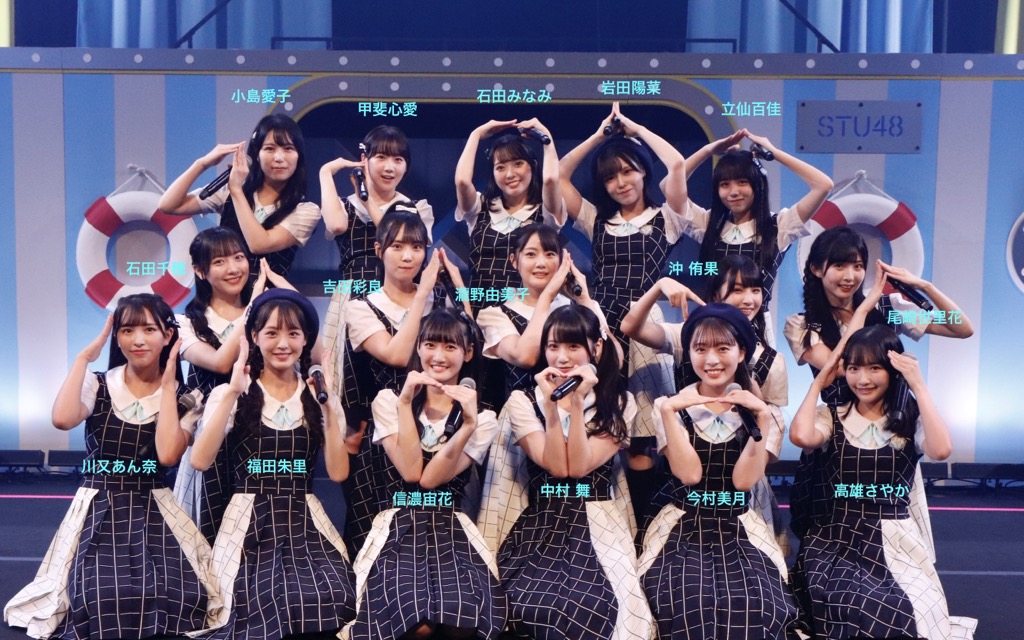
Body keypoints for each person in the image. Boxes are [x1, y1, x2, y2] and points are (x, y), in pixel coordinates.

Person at [4, 294, 219, 640]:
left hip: (155, 509)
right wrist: (82, 359)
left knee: (180, 599)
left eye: (149, 329)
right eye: (127, 330)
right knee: (98, 598)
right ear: (116, 337)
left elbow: (167, 455)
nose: (137, 340)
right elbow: (62, 419)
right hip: (98, 507)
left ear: (168, 335)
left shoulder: (186, 397)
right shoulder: (98, 382)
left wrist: (167, 387)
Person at [783, 226, 973, 537]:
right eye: (839, 265)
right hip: (837, 438)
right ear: (817, 269)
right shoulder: (803, 325)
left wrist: (925, 286)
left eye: (858, 266)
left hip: (891, 434)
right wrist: (864, 308)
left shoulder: (889, 310)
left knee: (895, 528)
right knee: (825, 531)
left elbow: (961, 327)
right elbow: (841, 366)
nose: (850, 276)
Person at [479, 305, 654, 640]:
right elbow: (558, 468)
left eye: (573, 346)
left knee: (608, 605)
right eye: (553, 346)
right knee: (529, 603)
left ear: (596, 348)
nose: (561, 357)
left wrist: (575, 402)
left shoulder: (620, 401)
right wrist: (552, 407)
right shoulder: (523, 400)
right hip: (541, 519)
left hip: (598, 517)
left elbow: (581, 466)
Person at [789, 325, 975, 640]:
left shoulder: (908, 418)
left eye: (874, 368)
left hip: (896, 535)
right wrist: (819, 382)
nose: (863, 379)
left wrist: (918, 385)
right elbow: (801, 436)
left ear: (892, 369)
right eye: (853, 368)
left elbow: (941, 450)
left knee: (915, 606)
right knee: (853, 602)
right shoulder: (832, 415)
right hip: (836, 538)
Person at [191, 289, 355, 640]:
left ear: (306, 339)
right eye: (272, 333)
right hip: (248, 522)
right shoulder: (234, 392)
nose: (283, 343)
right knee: (257, 600)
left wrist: (329, 409)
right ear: (254, 337)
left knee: (332, 597)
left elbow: (339, 472)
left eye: (293, 333)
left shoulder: (319, 397)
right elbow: (200, 460)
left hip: (304, 518)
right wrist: (232, 392)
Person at [342, 309, 505, 640]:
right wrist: (406, 405)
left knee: (461, 621)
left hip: (451, 528)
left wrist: (467, 426)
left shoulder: (483, 419)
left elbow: (433, 480)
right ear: (418, 347)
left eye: (450, 347)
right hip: (399, 527)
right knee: (416, 622)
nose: (438, 357)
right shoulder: (389, 401)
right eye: (430, 345)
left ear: (468, 353)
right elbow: (412, 471)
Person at [639, 303, 799, 640]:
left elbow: (743, 481)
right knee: (688, 600)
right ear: (689, 354)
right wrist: (669, 413)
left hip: (739, 523)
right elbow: (689, 475)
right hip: (683, 524)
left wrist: (762, 416)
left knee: (757, 604)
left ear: (742, 353)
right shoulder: (668, 407)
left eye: (723, 348)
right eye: (700, 349)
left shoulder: (765, 414)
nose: (711, 360)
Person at [558, 101, 687, 514]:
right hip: (600, 324)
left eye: (628, 171)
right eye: (611, 176)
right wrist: (600, 136)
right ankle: (611, 517)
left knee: (643, 440)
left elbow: (678, 164)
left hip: (644, 327)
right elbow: (558, 175)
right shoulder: (596, 218)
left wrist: (636, 130)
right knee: (602, 423)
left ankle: (646, 527)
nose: (620, 182)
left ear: (644, 171)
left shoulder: (667, 217)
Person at [621, 255, 789, 539]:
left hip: (742, 479)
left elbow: (768, 434)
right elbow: (631, 328)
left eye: (755, 290)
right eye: (737, 290)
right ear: (715, 295)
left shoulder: (773, 360)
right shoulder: (688, 334)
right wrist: (659, 285)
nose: (748, 299)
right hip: (685, 472)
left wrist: (758, 408)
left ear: (742, 352)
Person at [341, 209, 469, 556]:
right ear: (379, 250)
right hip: (387, 432)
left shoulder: (441, 300)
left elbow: (469, 347)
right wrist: (422, 294)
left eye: (416, 247)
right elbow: (396, 354)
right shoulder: (361, 307)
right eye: (397, 246)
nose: (408, 256)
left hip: (440, 425)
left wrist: (456, 289)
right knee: (373, 537)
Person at [681, 128, 834, 341]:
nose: (733, 191)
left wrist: (773, 152)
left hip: (758, 329)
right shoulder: (709, 224)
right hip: (712, 326)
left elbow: (823, 185)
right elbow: (669, 185)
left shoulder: (779, 226)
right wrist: (708, 151)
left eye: (742, 182)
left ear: (758, 185)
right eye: (725, 185)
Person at [320, 126, 434, 406]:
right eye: (381, 157)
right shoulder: (345, 205)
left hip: (401, 296)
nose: (389, 167)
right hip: (352, 295)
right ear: (364, 160)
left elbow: (394, 233)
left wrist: (367, 200)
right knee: (347, 383)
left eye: (398, 159)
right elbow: (336, 225)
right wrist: (325, 173)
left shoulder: (416, 208)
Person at [159, 113, 321, 278]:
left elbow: (259, 244)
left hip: (266, 293)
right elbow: (169, 205)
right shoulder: (230, 191)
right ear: (256, 154)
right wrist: (201, 164)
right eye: (269, 149)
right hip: (222, 290)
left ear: (299, 155)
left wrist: (236, 190)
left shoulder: (306, 210)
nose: (279, 158)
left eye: (288, 148)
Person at [475, 224, 615, 412]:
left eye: (549, 254)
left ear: (562, 261)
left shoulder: (580, 306)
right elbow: (525, 357)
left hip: (583, 410)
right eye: (531, 254)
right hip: (525, 414)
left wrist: (584, 300)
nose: (541, 263)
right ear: (514, 261)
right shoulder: (494, 315)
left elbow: (613, 359)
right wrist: (547, 296)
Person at [454, 119, 564, 315]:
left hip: (527, 316)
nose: (510, 174)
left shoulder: (546, 213)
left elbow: (550, 179)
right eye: (500, 167)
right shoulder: (479, 207)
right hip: (478, 313)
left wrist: (545, 137)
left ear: (533, 166)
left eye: (518, 164)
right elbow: (462, 181)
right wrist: (476, 134)